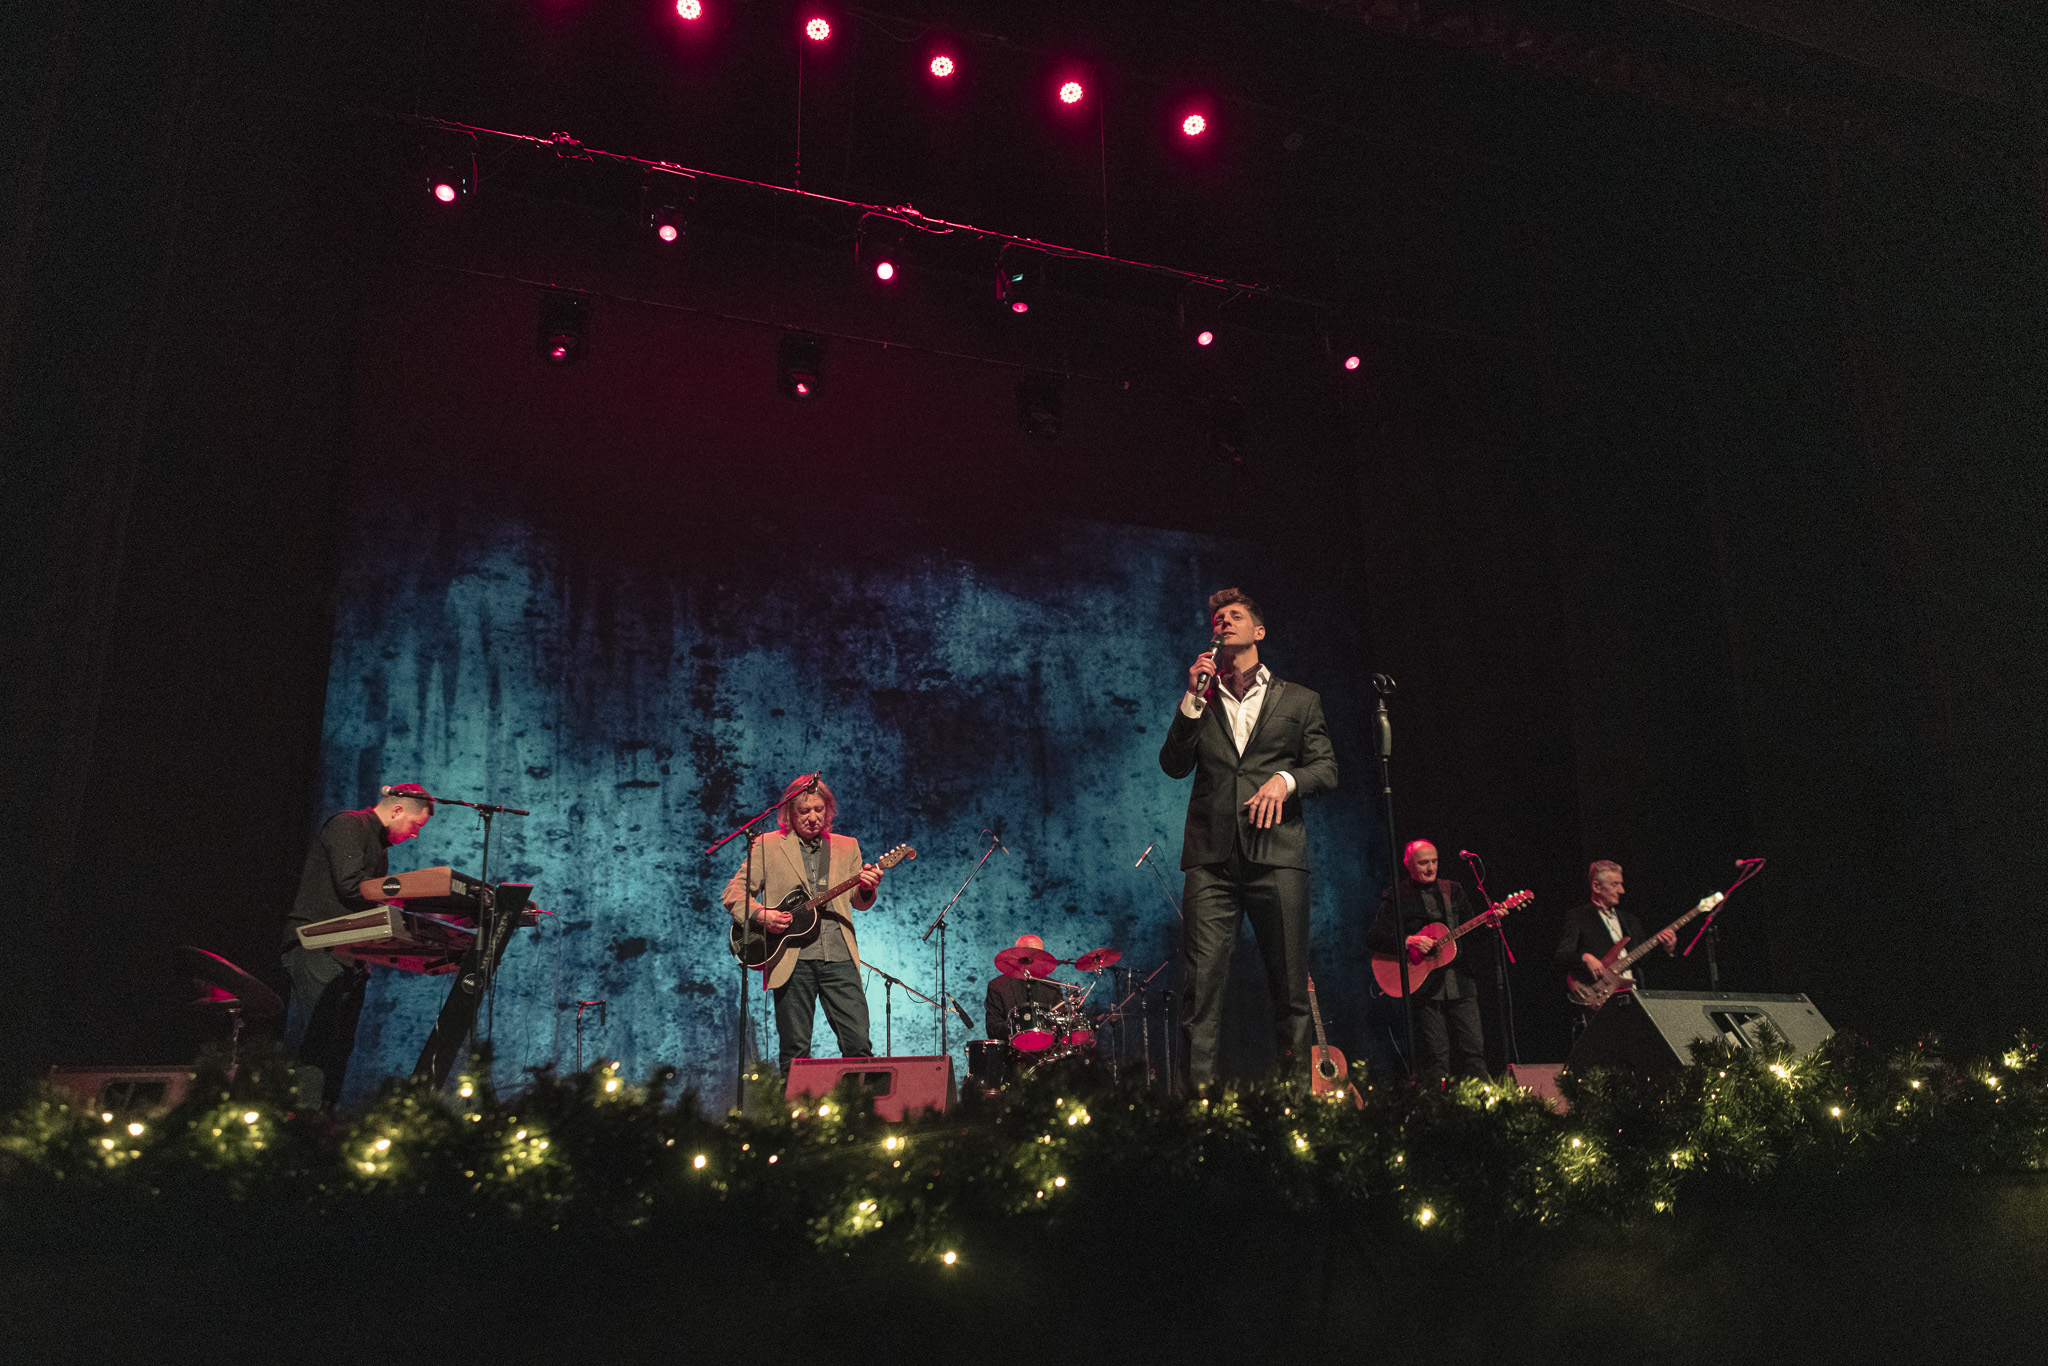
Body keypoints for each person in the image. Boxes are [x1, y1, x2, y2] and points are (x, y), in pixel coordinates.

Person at [1160, 587, 1338, 1085]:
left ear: (1258, 631)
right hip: (1211, 860)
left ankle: (1296, 1106)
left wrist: (1285, 780)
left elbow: (1326, 769)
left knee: (1291, 991)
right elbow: (1173, 765)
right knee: (1200, 991)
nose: (1223, 621)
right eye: (1218, 617)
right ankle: (1197, 1109)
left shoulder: (1300, 700)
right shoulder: (1202, 698)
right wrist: (1192, 701)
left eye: (1235, 615)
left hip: (1277, 856)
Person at [282, 783, 434, 1110]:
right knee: (318, 1042)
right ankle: (304, 1121)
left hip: (348, 952)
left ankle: (323, 1119)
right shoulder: (348, 824)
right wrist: (413, 894)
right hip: (317, 946)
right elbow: (352, 887)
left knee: (340, 1046)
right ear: (397, 810)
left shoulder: (380, 847)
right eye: (415, 825)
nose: (414, 834)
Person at [723, 775, 884, 1073]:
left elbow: (858, 902)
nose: (813, 817)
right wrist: (761, 914)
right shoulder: (767, 845)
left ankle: (861, 1102)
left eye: (819, 810)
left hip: (839, 955)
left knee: (859, 1045)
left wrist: (866, 888)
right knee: (795, 1052)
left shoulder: (847, 846)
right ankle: (795, 1104)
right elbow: (733, 893)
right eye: (804, 810)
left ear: (828, 811)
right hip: (791, 959)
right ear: (789, 813)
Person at [1369, 839, 1490, 1083]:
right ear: (1408, 864)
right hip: (1425, 988)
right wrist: (1408, 940)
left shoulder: (1453, 890)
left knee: (1474, 1050)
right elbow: (1374, 937)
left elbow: (1472, 929)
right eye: (1423, 863)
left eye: (1434, 861)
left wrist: (1488, 923)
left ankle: (1483, 1100)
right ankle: (1439, 1102)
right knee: (1436, 1056)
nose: (1431, 867)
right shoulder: (1397, 896)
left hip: (1460, 980)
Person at [1554, 859, 1675, 1032]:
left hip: (1635, 998)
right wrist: (1585, 958)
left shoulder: (1631, 921)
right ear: (1596, 887)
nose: (1621, 890)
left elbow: (1646, 963)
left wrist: (1667, 950)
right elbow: (1562, 956)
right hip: (1603, 1001)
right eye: (1614, 884)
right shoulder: (1578, 917)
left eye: (1621, 884)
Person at [984, 933, 1067, 1047]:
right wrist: (1018, 1025)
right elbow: (992, 1028)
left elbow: (1062, 1024)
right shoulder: (998, 986)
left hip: (1048, 1050)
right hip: (1012, 1051)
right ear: (1017, 956)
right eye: (1032, 954)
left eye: (1040, 955)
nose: (1037, 959)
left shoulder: (1052, 986)